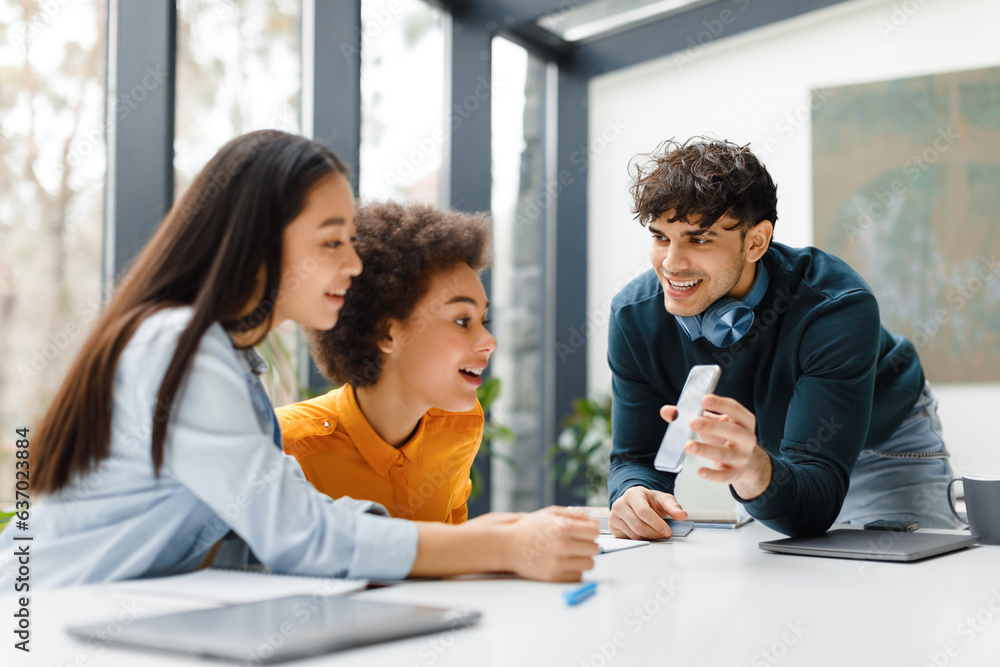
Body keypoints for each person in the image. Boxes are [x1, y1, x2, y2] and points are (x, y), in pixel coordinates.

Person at [0, 130, 597, 591]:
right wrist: (498, 548)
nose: (355, 264)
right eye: (331, 240)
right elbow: (296, 535)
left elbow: (269, 524)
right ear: (261, 240)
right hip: (45, 628)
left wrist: (489, 536)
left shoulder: (229, 361)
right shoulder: (177, 348)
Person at [606, 136, 955, 540]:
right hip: (783, 454)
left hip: (881, 445)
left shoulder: (836, 307)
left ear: (756, 241)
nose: (671, 264)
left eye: (698, 239)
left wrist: (753, 469)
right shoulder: (633, 317)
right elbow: (635, 457)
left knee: (903, 582)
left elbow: (816, 499)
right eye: (661, 237)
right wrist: (635, 493)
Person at [277, 200, 495, 524]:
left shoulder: (460, 425)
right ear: (388, 335)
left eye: (484, 321)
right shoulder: (288, 448)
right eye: (462, 321)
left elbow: (452, 553)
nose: (489, 343)